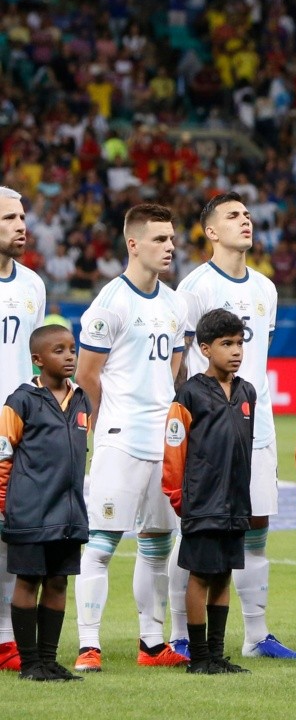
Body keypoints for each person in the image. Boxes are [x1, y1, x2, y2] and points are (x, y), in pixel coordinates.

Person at [169, 192, 296, 660]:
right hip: (207, 431)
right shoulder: (194, 288)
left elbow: (255, 360)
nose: (245, 221)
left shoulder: (265, 288)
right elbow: (180, 363)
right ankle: (182, 635)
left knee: (256, 526)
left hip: (256, 425)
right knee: (196, 532)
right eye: (233, 216)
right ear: (210, 231)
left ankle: (256, 636)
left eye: (247, 214)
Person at [73, 204, 189, 672]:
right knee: (101, 544)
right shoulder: (110, 303)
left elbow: (174, 371)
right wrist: (105, 427)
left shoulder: (175, 303)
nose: (170, 247)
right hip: (120, 440)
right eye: (160, 239)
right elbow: (86, 375)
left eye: (172, 238)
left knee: (157, 545)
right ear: (133, 243)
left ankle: (151, 642)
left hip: (162, 441)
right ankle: (88, 646)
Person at [162, 309, 254, 675]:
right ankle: (199, 656)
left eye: (239, 343)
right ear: (204, 348)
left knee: (224, 574)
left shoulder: (247, 391)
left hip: (235, 502)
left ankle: (217, 653)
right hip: (202, 501)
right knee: (200, 575)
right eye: (226, 344)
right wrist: (181, 498)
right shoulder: (189, 394)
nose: (235, 351)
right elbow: (174, 451)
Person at [0, 325, 91, 681]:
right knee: (28, 581)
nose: (69, 356)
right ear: (38, 360)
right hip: (31, 511)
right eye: (59, 350)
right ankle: (29, 663)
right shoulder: (20, 401)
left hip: (69, 513)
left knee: (58, 583)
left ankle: (50, 661)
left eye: (72, 349)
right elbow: (3, 457)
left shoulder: (81, 398)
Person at [0, 186, 46, 672]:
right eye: (9, 218)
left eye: (21, 216)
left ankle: (6, 639)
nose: (20, 225)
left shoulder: (33, 285)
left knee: (12, 536)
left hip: (18, 430)